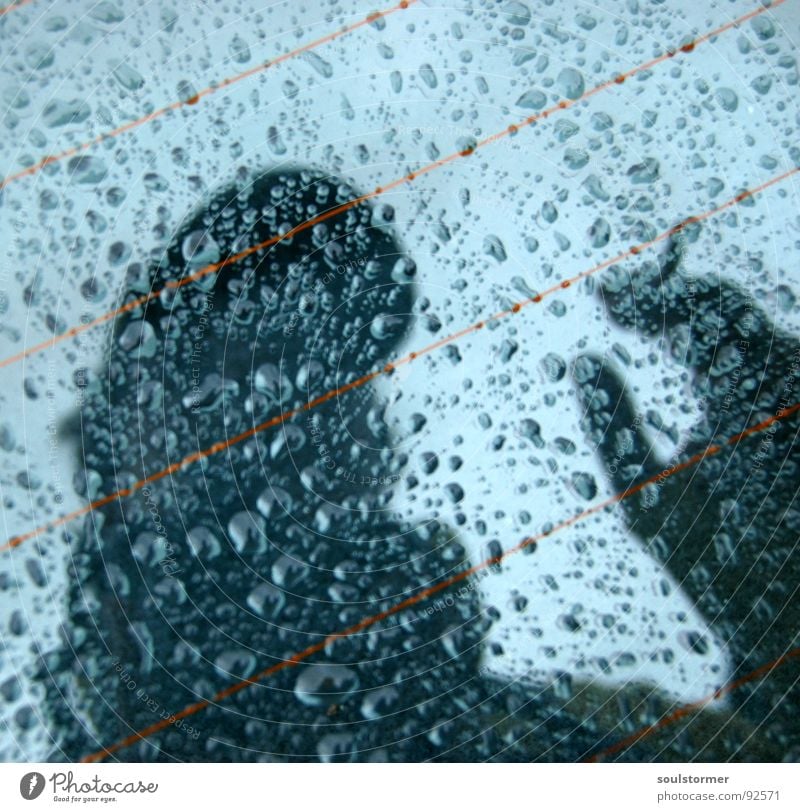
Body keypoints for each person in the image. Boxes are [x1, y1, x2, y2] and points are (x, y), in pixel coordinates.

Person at [40, 167, 793, 762]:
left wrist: (778, 604)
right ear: (119, 437)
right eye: (235, 380)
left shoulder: (543, 741)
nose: (297, 437)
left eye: (337, 386)